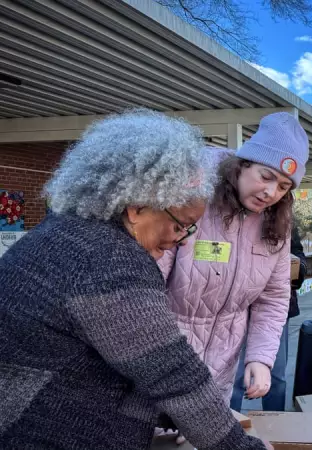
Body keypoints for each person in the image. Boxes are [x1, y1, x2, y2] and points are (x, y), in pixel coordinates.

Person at [0, 110, 267, 449]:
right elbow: (172, 374)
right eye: (180, 223)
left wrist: (172, 415)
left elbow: (110, 362)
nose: (183, 238)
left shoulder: (62, 235)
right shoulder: (109, 263)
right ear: (137, 208)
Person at [159, 112, 308, 420]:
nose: (271, 193)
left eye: (283, 187)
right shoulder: (194, 198)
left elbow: (274, 297)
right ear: (243, 165)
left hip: (220, 370)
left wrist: (260, 358)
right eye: (266, 177)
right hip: (164, 359)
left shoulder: (276, 222)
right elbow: (148, 281)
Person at [231, 223, 307, 412]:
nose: (269, 194)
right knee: (233, 375)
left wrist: (297, 268)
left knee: (277, 374)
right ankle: (228, 428)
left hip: (275, 307)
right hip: (235, 306)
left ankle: (276, 427)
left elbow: (297, 252)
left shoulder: (282, 218)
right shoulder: (229, 217)